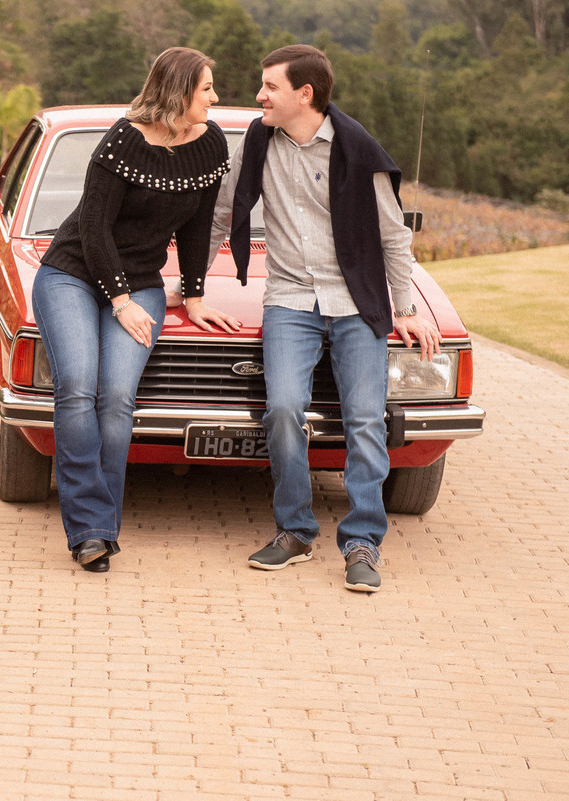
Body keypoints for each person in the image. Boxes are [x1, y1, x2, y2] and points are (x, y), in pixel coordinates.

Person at [208, 44, 442, 592]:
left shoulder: (358, 150)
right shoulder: (257, 142)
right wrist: (189, 288)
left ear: (305, 94)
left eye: (270, 87)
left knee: (365, 420)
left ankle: (362, 543)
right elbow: (222, 214)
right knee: (282, 410)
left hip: (356, 300)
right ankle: (294, 531)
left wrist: (405, 308)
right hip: (289, 298)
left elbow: (393, 237)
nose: (259, 96)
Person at [33, 47, 240, 574]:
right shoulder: (123, 140)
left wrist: (193, 295)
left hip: (142, 282)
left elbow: (197, 227)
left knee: (117, 397)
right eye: (206, 89)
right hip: (72, 274)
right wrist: (120, 301)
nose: (214, 98)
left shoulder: (211, 143)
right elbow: (94, 228)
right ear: (178, 91)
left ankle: (100, 525)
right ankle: (90, 531)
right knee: (77, 387)